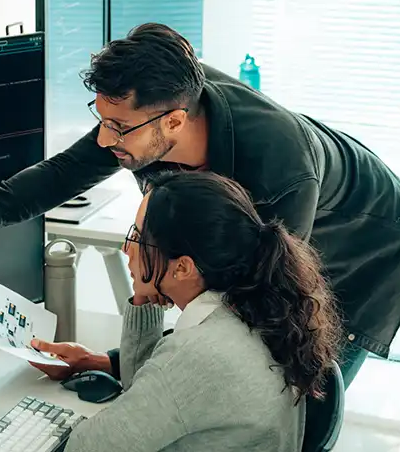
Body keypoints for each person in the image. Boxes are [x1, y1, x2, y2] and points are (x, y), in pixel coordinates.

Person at [0, 23, 400, 386]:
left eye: (118, 127)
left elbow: (253, 305)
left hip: (371, 240)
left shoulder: (277, 174)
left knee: (291, 380)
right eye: (101, 119)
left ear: (175, 122)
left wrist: (118, 361)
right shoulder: (154, 105)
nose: (106, 140)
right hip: (306, 212)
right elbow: (65, 171)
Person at [46, 170, 342, 451]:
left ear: (183, 267)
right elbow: (143, 389)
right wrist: (144, 295)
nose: (127, 249)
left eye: (137, 237)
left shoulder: (199, 355)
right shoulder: (253, 311)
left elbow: (88, 447)